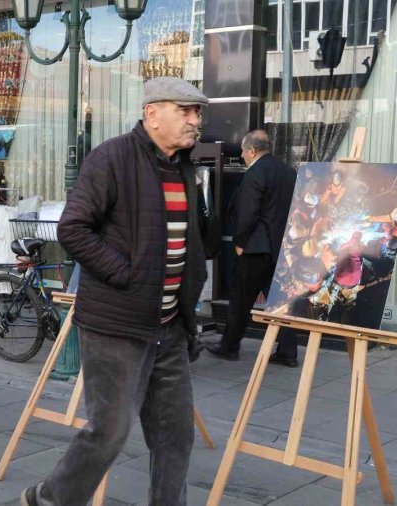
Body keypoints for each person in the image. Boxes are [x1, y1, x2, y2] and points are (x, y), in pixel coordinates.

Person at [20, 77, 209, 506]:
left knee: (176, 437)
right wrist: (126, 274)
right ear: (153, 113)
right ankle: (50, 499)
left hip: (170, 328)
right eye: (186, 111)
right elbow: (73, 229)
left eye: (198, 113)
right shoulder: (111, 159)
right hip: (117, 326)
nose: (195, 121)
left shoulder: (184, 167)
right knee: (109, 432)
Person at [205, 130, 299, 366]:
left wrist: (239, 243)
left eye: (244, 153)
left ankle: (230, 345)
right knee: (279, 302)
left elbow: (248, 214)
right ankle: (288, 351)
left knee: (240, 298)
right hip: (280, 247)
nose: (243, 158)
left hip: (255, 248)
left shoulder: (256, 173)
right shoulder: (288, 172)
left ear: (252, 151)